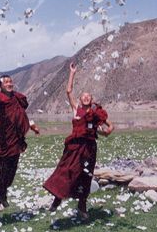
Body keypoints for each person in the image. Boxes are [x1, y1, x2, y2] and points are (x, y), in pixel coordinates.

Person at [43, 62, 113, 219]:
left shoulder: (96, 114)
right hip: (74, 147)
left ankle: (82, 206)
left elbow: (108, 126)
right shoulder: (76, 109)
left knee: (85, 175)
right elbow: (68, 91)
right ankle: (57, 197)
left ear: (92, 100)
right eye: (83, 96)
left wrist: (107, 132)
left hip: (88, 149)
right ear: (80, 100)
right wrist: (72, 73)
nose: (86, 97)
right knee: (66, 171)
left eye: (89, 96)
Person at [0, 47, 39, 211]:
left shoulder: (17, 98)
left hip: (15, 141)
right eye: (6, 82)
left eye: (11, 82)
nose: (9, 84)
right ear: (1, 86)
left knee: (10, 169)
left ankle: (2, 193)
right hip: (2, 140)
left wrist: (31, 126)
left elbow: (20, 117)